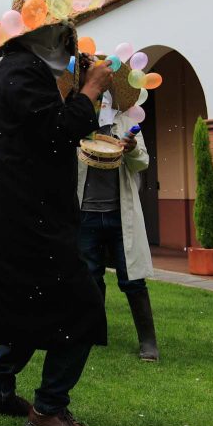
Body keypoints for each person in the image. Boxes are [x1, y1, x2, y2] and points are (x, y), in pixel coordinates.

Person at [0, 0, 115, 426]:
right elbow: (60, 132)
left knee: (30, 305)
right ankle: (50, 409)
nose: (69, 44)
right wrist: (90, 92)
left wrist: (77, 88)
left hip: (24, 217)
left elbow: (49, 129)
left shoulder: (20, 70)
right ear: (43, 33)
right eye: (63, 33)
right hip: (28, 221)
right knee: (82, 306)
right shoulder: (21, 72)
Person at [76, 82, 158, 361]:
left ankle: (148, 341)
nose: (103, 99)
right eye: (99, 93)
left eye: (107, 93)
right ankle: (95, 332)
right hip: (85, 213)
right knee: (90, 276)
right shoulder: (78, 123)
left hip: (118, 215)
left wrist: (131, 148)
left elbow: (142, 163)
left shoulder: (126, 123)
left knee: (132, 278)